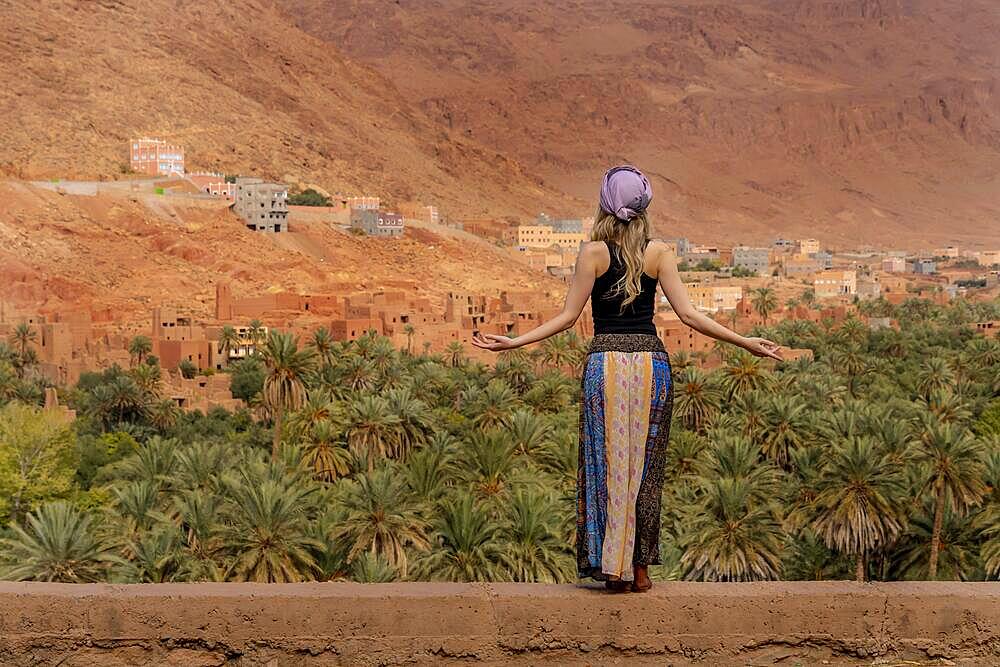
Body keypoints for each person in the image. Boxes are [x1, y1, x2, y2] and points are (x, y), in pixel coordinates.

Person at [473, 165, 782, 592]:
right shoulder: (660, 253)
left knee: (606, 464)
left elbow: (567, 318)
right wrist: (745, 341)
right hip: (652, 366)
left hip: (606, 367)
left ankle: (610, 568)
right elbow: (690, 316)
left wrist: (514, 343)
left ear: (603, 205)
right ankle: (640, 570)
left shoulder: (592, 253)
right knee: (645, 468)